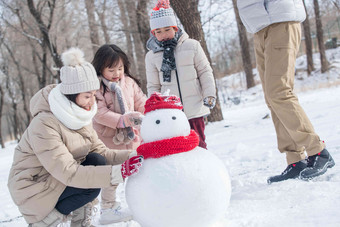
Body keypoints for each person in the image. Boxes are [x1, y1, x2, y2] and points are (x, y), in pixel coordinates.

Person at [7, 47, 143, 227]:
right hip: (34, 188)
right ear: (71, 95)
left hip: (56, 180)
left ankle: (80, 222)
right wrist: (120, 172)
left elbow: (101, 152)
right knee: (92, 182)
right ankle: (46, 222)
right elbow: (68, 171)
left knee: (96, 160)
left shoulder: (79, 114)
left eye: (94, 96)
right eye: (87, 96)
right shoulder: (45, 124)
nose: (92, 102)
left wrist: (138, 156)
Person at [237, 0, 335, 184]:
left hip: (279, 17)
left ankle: (318, 152)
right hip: (259, 25)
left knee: (279, 91)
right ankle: (296, 160)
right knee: (271, 97)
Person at [145, 0, 217, 149]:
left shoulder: (192, 46)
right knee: (178, 147)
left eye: (167, 29)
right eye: (158, 32)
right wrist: (155, 107)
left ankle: (203, 170)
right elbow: (153, 85)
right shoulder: (152, 56)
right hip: (171, 112)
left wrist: (209, 94)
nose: (163, 35)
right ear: (153, 34)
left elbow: (205, 71)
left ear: (175, 28)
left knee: (199, 144)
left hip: (194, 108)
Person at [92, 44, 147, 224]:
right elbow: (99, 113)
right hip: (110, 140)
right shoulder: (97, 88)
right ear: (101, 68)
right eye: (111, 69)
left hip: (132, 138)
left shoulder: (129, 82)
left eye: (120, 68)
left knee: (139, 169)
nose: (117, 73)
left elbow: (141, 103)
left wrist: (147, 115)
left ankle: (144, 200)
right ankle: (108, 208)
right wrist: (123, 120)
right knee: (113, 175)